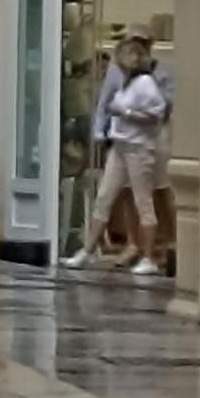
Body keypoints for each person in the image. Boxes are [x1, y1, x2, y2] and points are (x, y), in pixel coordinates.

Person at [68, 32, 171, 274]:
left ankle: (148, 257)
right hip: (121, 146)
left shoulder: (145, 84)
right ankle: (88, 250)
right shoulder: (125, 82)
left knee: (142, 201)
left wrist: (125, 112)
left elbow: (157, 115)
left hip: (138, 149)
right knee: (104, 196)